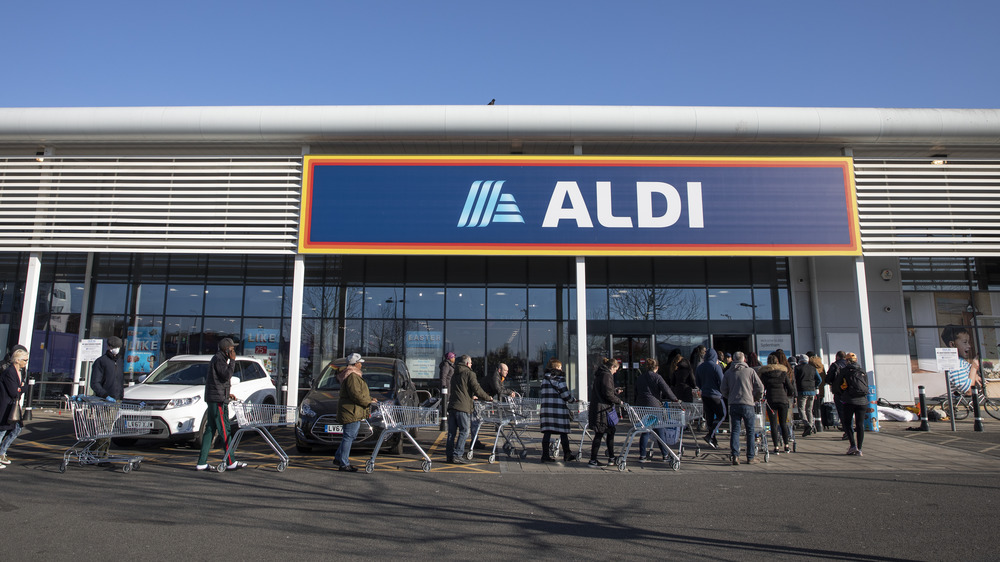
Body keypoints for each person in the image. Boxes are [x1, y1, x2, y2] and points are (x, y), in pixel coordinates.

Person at [196, 338, 246, 472]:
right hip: (217, 400)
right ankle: (230, 461)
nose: (234, 351)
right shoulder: (219, 359)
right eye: (232, 349)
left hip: (216, 397)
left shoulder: (218, 359)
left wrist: (228, 393)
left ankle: (202, 462)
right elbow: (226, 375)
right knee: (224, 429)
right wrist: (233, 361)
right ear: (227, 350)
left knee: (210, 429)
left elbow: (218, 381)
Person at [334, 353, 377, 472]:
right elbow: (355, 394)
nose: (361, 364)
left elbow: (358, 393)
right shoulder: (352, 376)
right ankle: (343, 463)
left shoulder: (352, 375)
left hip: (352, 410)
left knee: (349, 436)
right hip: (351, 411)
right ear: (355, 364)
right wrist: (368, 401)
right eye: (360, 362)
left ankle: (339, 458)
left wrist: (370, 398)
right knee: (348, 437)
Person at [719, 351, 764, 466]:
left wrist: (730, 397)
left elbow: (723, 389)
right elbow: (760, 387)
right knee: (750, 430)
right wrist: (756, 397)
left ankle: (735, 455)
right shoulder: (750, 371)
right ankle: (750, 456)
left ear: (733, 360)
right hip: (748, 403)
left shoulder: (728, 373)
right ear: (744, 360)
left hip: (734, 404)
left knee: (735, 430)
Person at [446, 354, 492, 464]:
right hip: (463, 407)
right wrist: (488, 397)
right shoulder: (469, 373)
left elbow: (461, 390)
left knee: (451, 433)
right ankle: (457, 454)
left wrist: (470, 396)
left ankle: (449, 455)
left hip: (452, 406)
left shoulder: (454, 373)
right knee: (464, 431)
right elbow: (477, 388)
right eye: (471, 363)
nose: (471, 365)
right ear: (467, 363)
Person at [635, 358, 680, 463]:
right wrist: (675, 399)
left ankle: (642, 455)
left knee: (645, 431)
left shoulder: (640, 377)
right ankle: (665, 455)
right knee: (659, 431)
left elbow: (636, 391)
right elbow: (666, 389)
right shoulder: (657, 377)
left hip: (642, 406)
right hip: (654, 406)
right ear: (656, 367)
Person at [539, 359, 578, 463]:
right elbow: (565, 395)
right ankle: (567, 454)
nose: (561, 369)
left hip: (546, 409)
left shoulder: (544, 379)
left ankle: (545, 455)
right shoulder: (560, 378)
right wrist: (572, 400)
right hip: (558, 409)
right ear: (556, 368)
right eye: (560, 367)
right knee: (563, 432)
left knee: (547, 432)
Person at [588, 357, 623, 467]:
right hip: (603, 410)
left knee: (608, 432)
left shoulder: (601, 374)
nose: (615, 372)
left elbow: (605, 390)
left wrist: (614, 391)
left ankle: (611, 457)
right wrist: (619, 401)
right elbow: (607, 394)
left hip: (600, 408)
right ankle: (594, 460)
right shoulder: (607, 375)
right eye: (615, 369)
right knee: (601, 434)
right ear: (612, 367)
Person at [759, 353, 795, 454]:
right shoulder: (783, 373)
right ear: (777, 362)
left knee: (773, 424)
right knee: (783, 423)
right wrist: (787, 394)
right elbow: (791, 388)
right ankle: (786, 445)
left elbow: (761, 388)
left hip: (771, 401)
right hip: (783, 400)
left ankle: (776, 447)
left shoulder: (765, 374)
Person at [834, 353, 868, 456]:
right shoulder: (862, 371)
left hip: (849, 401)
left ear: (847, 361)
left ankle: (853, 446)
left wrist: (842, 394)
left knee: (848, 423)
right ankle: (860, 449)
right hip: (862, 401)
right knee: (860, 424)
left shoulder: (844, 371)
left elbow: (837, 386)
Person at [0, 348, 28, 467]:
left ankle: (2, 452)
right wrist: (23, 388)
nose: (26, 362)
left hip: (12, 407)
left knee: (16, 428)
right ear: (17, 360)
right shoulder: (10, 372)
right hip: (6, 406)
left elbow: (18, 390)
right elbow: (13, 392)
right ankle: (1, 453)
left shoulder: (19, 371)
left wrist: (20, 388)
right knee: (2, 431)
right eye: (24, 360)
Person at [695, 348, 725, 450]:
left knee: (710, 417)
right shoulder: (716, 367)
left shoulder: (700, 367)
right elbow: (722, 382)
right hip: (716, 395)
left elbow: (697, 382)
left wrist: (703, 387)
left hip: (705, 395)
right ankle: (711, 434)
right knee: (722, 415)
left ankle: (713, 438)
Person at [941, 325, 981, 396]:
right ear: (952, 344)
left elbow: (971, 376)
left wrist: (975, 375)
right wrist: (974, 367)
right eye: (965, 342)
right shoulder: (954, 364)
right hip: (964, 404)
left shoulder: (961, 361)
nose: (969, 346)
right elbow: (969, 391)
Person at [796, 355, 824, 437]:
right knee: (809, 409)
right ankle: (811, 425)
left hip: (802, 390)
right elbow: (819, 380)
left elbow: (794, 379)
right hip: (812, 391)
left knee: (801, 409)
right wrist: (815, 386)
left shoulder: (797, 368)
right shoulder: (813, 368)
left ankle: (806, 424)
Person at [91, 336, 125, 401]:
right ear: (109, 347)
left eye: (118, 347)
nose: (117, 349)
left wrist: (121, 395)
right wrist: (105, 395)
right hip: (103, 399)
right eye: (114, 347)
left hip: (118, 399)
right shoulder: (101, 361)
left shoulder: (120, 361)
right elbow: (95, 383)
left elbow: (120, 381)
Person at [826, 351, 849, 439]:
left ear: (837, 357)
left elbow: (828, 378)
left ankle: (847, 431)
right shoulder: (848, 365)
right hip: (849, 392)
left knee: (841, 411)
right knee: (848, 412)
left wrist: (832, 383)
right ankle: (849, 429)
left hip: (839, 392)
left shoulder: (835, 365)